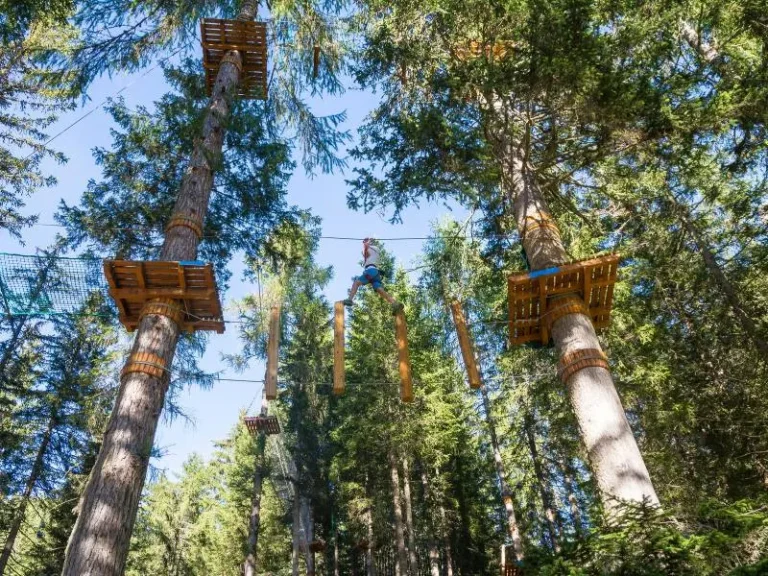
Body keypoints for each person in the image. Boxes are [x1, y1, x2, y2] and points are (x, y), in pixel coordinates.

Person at [342, 238, 404, 314]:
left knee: (356, 283)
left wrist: (366, 243)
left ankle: (349, 299)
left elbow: (366, 252)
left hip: (370, 271)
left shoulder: (372, 248)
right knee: (379, 290)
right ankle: (395, 303)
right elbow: (365, 255)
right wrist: (366, 244)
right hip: (375, 273)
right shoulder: (375, 251)